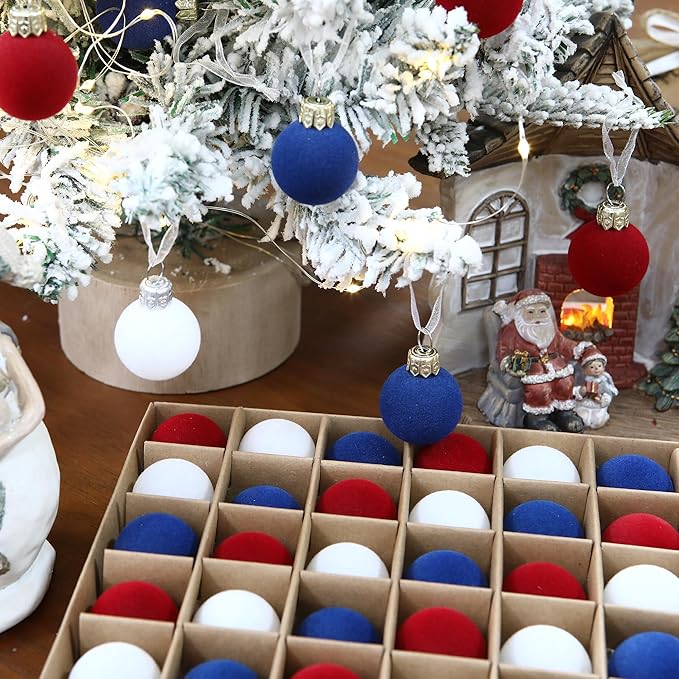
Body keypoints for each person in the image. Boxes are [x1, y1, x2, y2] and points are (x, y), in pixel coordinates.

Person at [492, 289, 604, 432]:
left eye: (542, 311)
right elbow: (503, 348)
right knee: (539, 389)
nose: (537, 317)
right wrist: (508, 362)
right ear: (520, 314)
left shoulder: (550, 328)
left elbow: (564, 344)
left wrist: (582, 349)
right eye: (531, 312)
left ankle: (564, 414)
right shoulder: (512, 330)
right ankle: (538, 418)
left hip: (556, 364)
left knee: (565, 382)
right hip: (532, 367)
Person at [574, 354, 618, 429]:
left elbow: (609, 393)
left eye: (599, 366)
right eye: (592, 367)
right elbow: (574, 390)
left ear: (603, 368)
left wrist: (602, 399)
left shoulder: (604, 381)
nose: (596, 368)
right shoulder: (582, 379)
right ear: (585, 370)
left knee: (598, 420)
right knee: (583, 419)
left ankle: (602, 418)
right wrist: (581, 392)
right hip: (584, 404)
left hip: (597, 406)